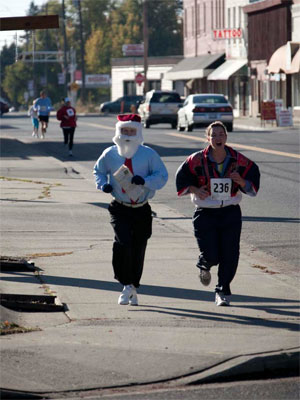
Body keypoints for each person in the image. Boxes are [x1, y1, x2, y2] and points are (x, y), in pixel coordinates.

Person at [175, 121, 260, 307]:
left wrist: (242, 181)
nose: (218, 138)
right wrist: (195, 189)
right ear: (208, 138)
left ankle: (222, 290)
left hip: (230, 212)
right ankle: (204, 264)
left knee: (230, 254)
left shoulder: (238, 160)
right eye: (214, 135)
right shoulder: (196, 160)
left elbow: (252, 182)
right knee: (212, 254)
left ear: (226, 137)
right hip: (205, 213)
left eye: (221, 134)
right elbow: (181, 181)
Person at [93, 114, 168, 306]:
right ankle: (125, 283)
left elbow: (162, 175)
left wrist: (145, 181)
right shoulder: (109, 153)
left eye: (131, 131)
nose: (127, 135)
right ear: (118, 132)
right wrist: (103, 185)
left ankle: (133, 285)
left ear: (138, 132)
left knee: (138, 246)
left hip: (142, 208)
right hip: (120, 207)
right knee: (123, 242)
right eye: (124, 131)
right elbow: (98, 171)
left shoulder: (149, 154)